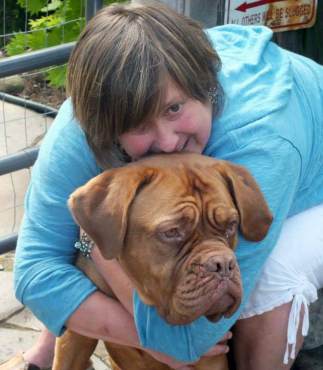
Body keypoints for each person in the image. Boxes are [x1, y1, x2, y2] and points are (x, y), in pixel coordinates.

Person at [1, 1, 323, 370]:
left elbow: (190, 342)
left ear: (206, 85)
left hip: (312, 181)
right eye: (139, 125)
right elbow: (34, 274)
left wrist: (93, 247)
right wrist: (96, 247)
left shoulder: (260, 141)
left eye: (174, 109)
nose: (168, 142)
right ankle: (43, 355)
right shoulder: (90, 118)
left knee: (270, 273)